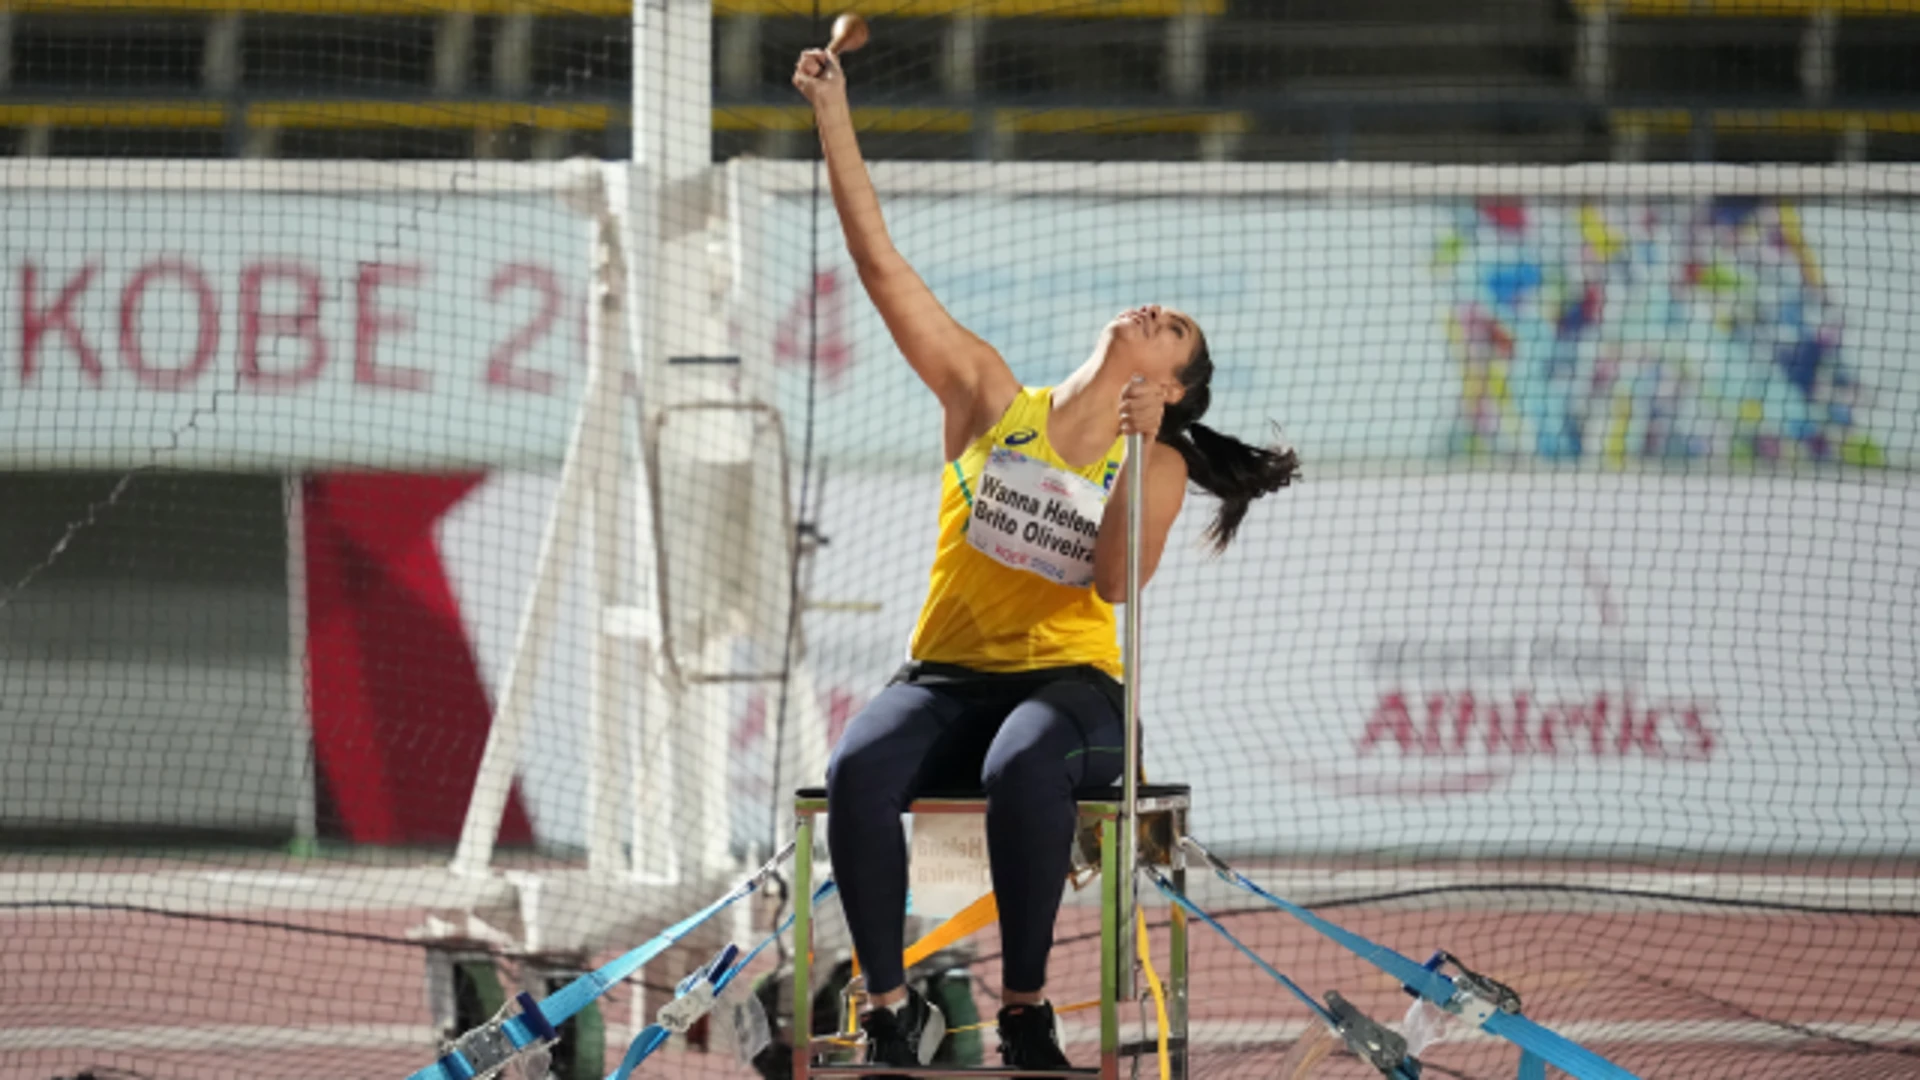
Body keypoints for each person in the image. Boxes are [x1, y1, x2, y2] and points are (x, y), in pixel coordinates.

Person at [792, 44, 1301, 1073]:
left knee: (1021, 760)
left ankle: (1025, 1011)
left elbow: (1114, 584)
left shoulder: (1152, 465)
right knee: (855, 767)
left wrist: (1138, 444)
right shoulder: (985, 395)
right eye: (1164, 309)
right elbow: (879, 260)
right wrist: (831, 110)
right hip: (942, 678)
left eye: (1178, 334)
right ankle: (888, 1012)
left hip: (1073, 698)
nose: (1159, 313)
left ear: (1177, 387)